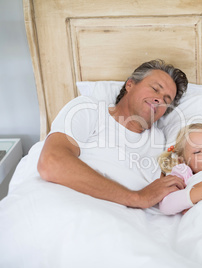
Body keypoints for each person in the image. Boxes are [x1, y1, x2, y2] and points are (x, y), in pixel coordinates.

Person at [37, 59, 190, 209]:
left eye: (166, 99)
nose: (159, 99)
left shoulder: (161, 140)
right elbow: (51, 162)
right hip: (74, 209)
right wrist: (137, 198)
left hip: (127, 224)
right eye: (155, 89)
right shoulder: (90, 109)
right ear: (130, 84)